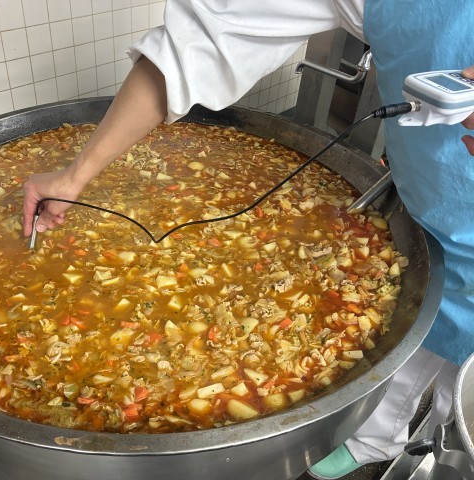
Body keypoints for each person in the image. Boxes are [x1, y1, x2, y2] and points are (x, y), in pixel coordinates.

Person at [23, 1, 474, 478]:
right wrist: (75, 176)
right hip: (424, 194)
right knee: (412, 330)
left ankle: (449, 443)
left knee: (462, 404)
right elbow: (206, 39)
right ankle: (374, 437)